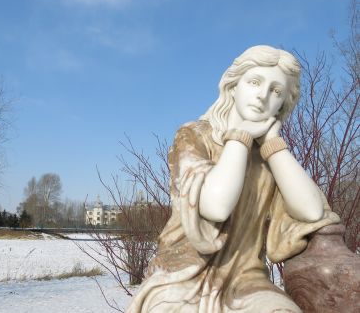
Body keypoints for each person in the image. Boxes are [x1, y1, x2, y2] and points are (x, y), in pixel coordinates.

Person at [126, 45, 340, 313]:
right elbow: (215, 207)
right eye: (254, 82)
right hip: (181, 274)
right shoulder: (194, 136)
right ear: (233, 86)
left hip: (247, 280)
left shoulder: (271, 158)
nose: (263, 96)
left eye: (276, 91)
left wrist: (273, 143)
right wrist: (240, 136)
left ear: (282, 104)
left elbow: (311, 211)